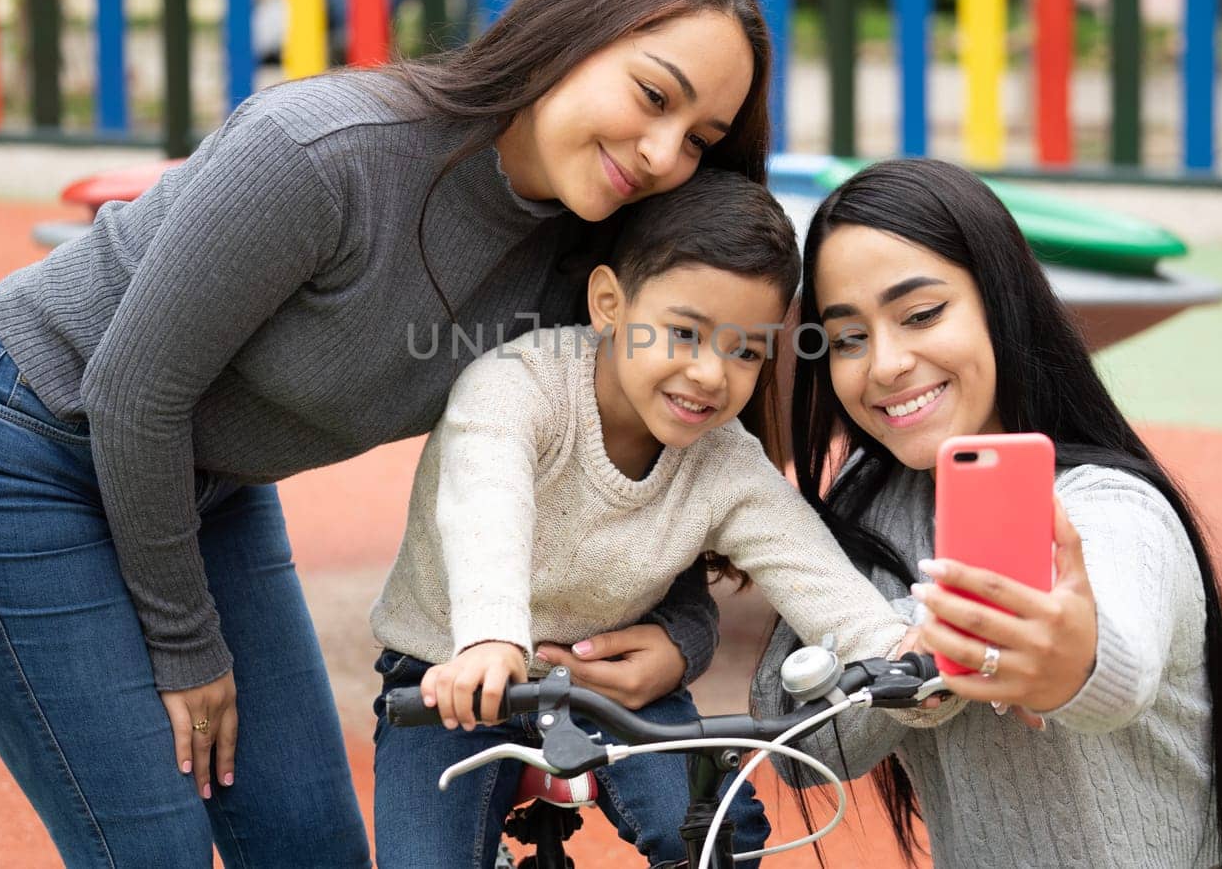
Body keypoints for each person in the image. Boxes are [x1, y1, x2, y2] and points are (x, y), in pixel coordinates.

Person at [0, 0, 766, 868]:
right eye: (653, 95)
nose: (665, 151)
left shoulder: (590, 257)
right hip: (15, 441)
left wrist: (683, 630)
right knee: (155, 849)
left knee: (313, 848)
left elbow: (626, 470)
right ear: (571, 31)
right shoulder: (323, 152)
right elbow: (133, 392)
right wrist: (188, 647)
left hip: (206, 483)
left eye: (700, 140)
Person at [749, 159, 1222, 868]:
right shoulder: (861, 515)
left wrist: (1065, 662)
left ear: (1001, 302)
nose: (884, 364)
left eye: (920, 315)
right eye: (849, 337)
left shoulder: (1113, 505)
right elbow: (794, 744)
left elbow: (1120, 669)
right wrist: (919, 666)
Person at [369, 170, 914, 868]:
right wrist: (490, 641)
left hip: (608, 686)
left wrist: (898, 652)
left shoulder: (724, 461)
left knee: (719, 834)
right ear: (608, 304)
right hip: (452, 673)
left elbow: (815, 574)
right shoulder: (516, 389)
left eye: (746, 350)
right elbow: (487, 510)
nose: (712, 375)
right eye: (684, 332)